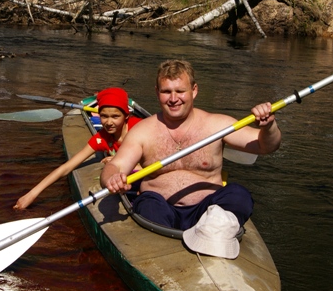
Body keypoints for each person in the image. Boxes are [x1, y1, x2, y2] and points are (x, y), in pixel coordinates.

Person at [100, 59, 281, 233]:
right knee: (148, 205)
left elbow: (265, 146)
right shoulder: (143, 131)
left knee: (238, 195)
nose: (173, 98)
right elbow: (115, 165)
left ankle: (213, 232)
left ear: (194, 91)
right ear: (157, 92)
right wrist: (112, 179)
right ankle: (164, 240)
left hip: (207, 211)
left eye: (180, 91)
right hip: (160, 209)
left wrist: (269, 126)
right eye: (166, 91)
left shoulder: (217, 125)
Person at [14, 87, 142, 210]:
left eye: (115, 117)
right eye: (104, 116)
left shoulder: (140, 128)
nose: (109, 122)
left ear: (126, 116)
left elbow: (154, 162)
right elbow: (66, 167)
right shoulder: (102, 138)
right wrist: (32, 194)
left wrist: (120, 161)